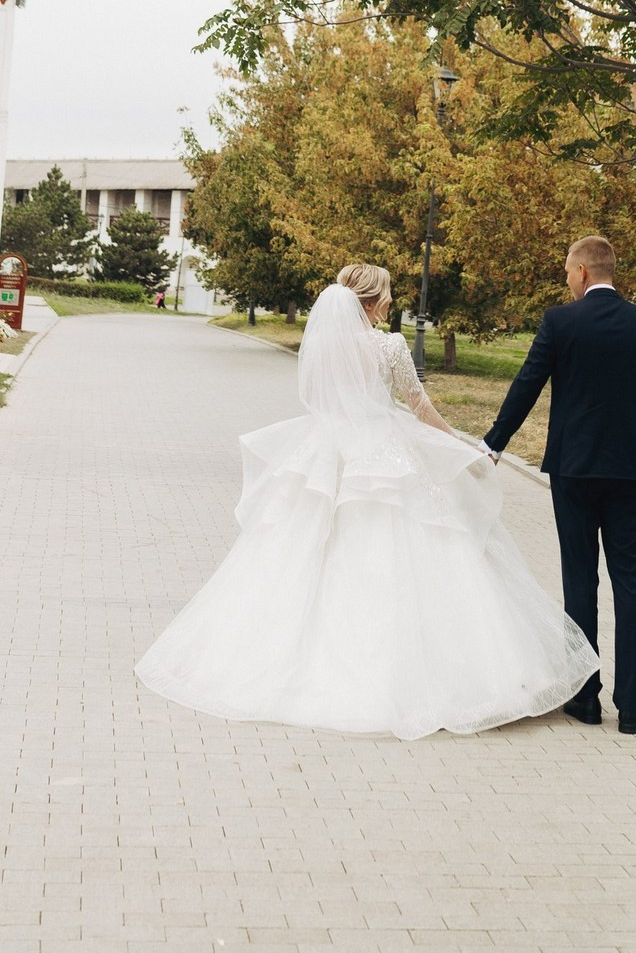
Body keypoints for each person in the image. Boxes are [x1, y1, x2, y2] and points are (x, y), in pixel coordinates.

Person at [136, 261, 597, 738]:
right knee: (417, 543)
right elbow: (418, 405)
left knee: (306, 547)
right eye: (389, 295)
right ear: (373, 301)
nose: (394, 302)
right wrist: (461, 444)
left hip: (329, 449)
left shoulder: (324, 347)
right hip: (384, 449)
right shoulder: (390, 345)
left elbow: (318, 401)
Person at [482, 235, 636, 736]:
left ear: (583, 272)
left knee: (579, 581)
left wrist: (494, 444)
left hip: (575, 470)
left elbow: (528, 382)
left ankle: (585, 697)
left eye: (568, 270)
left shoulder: (560, 322)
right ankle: (631, 706)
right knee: (630, 584)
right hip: (632, 472)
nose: (566, 278)